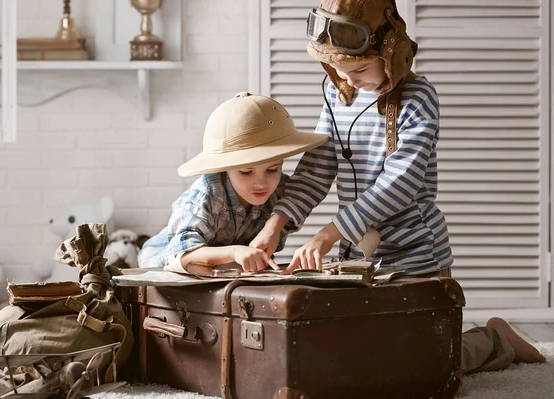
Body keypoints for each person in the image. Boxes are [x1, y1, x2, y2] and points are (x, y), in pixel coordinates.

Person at [249, 0, 545, 374]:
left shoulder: (419, 97)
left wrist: (328, 233)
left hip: (414, 257)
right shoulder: (337, 90)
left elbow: (401, 181)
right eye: (338, 70)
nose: (349, 80)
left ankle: (496, 339)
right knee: (354, 358)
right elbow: (318, 167)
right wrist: (275, 224)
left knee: (417, 365)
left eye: (357, 68)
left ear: (391, 53)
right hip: (357, 259)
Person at [138, 92, 327, 272]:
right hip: (159, 264)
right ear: (225, 167)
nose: (261, 183)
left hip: (222, 272)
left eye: (272, 169)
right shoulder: (205, 194)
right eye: (246, 172)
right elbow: (182, 255)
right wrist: (235, 251)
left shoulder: (284, 195)